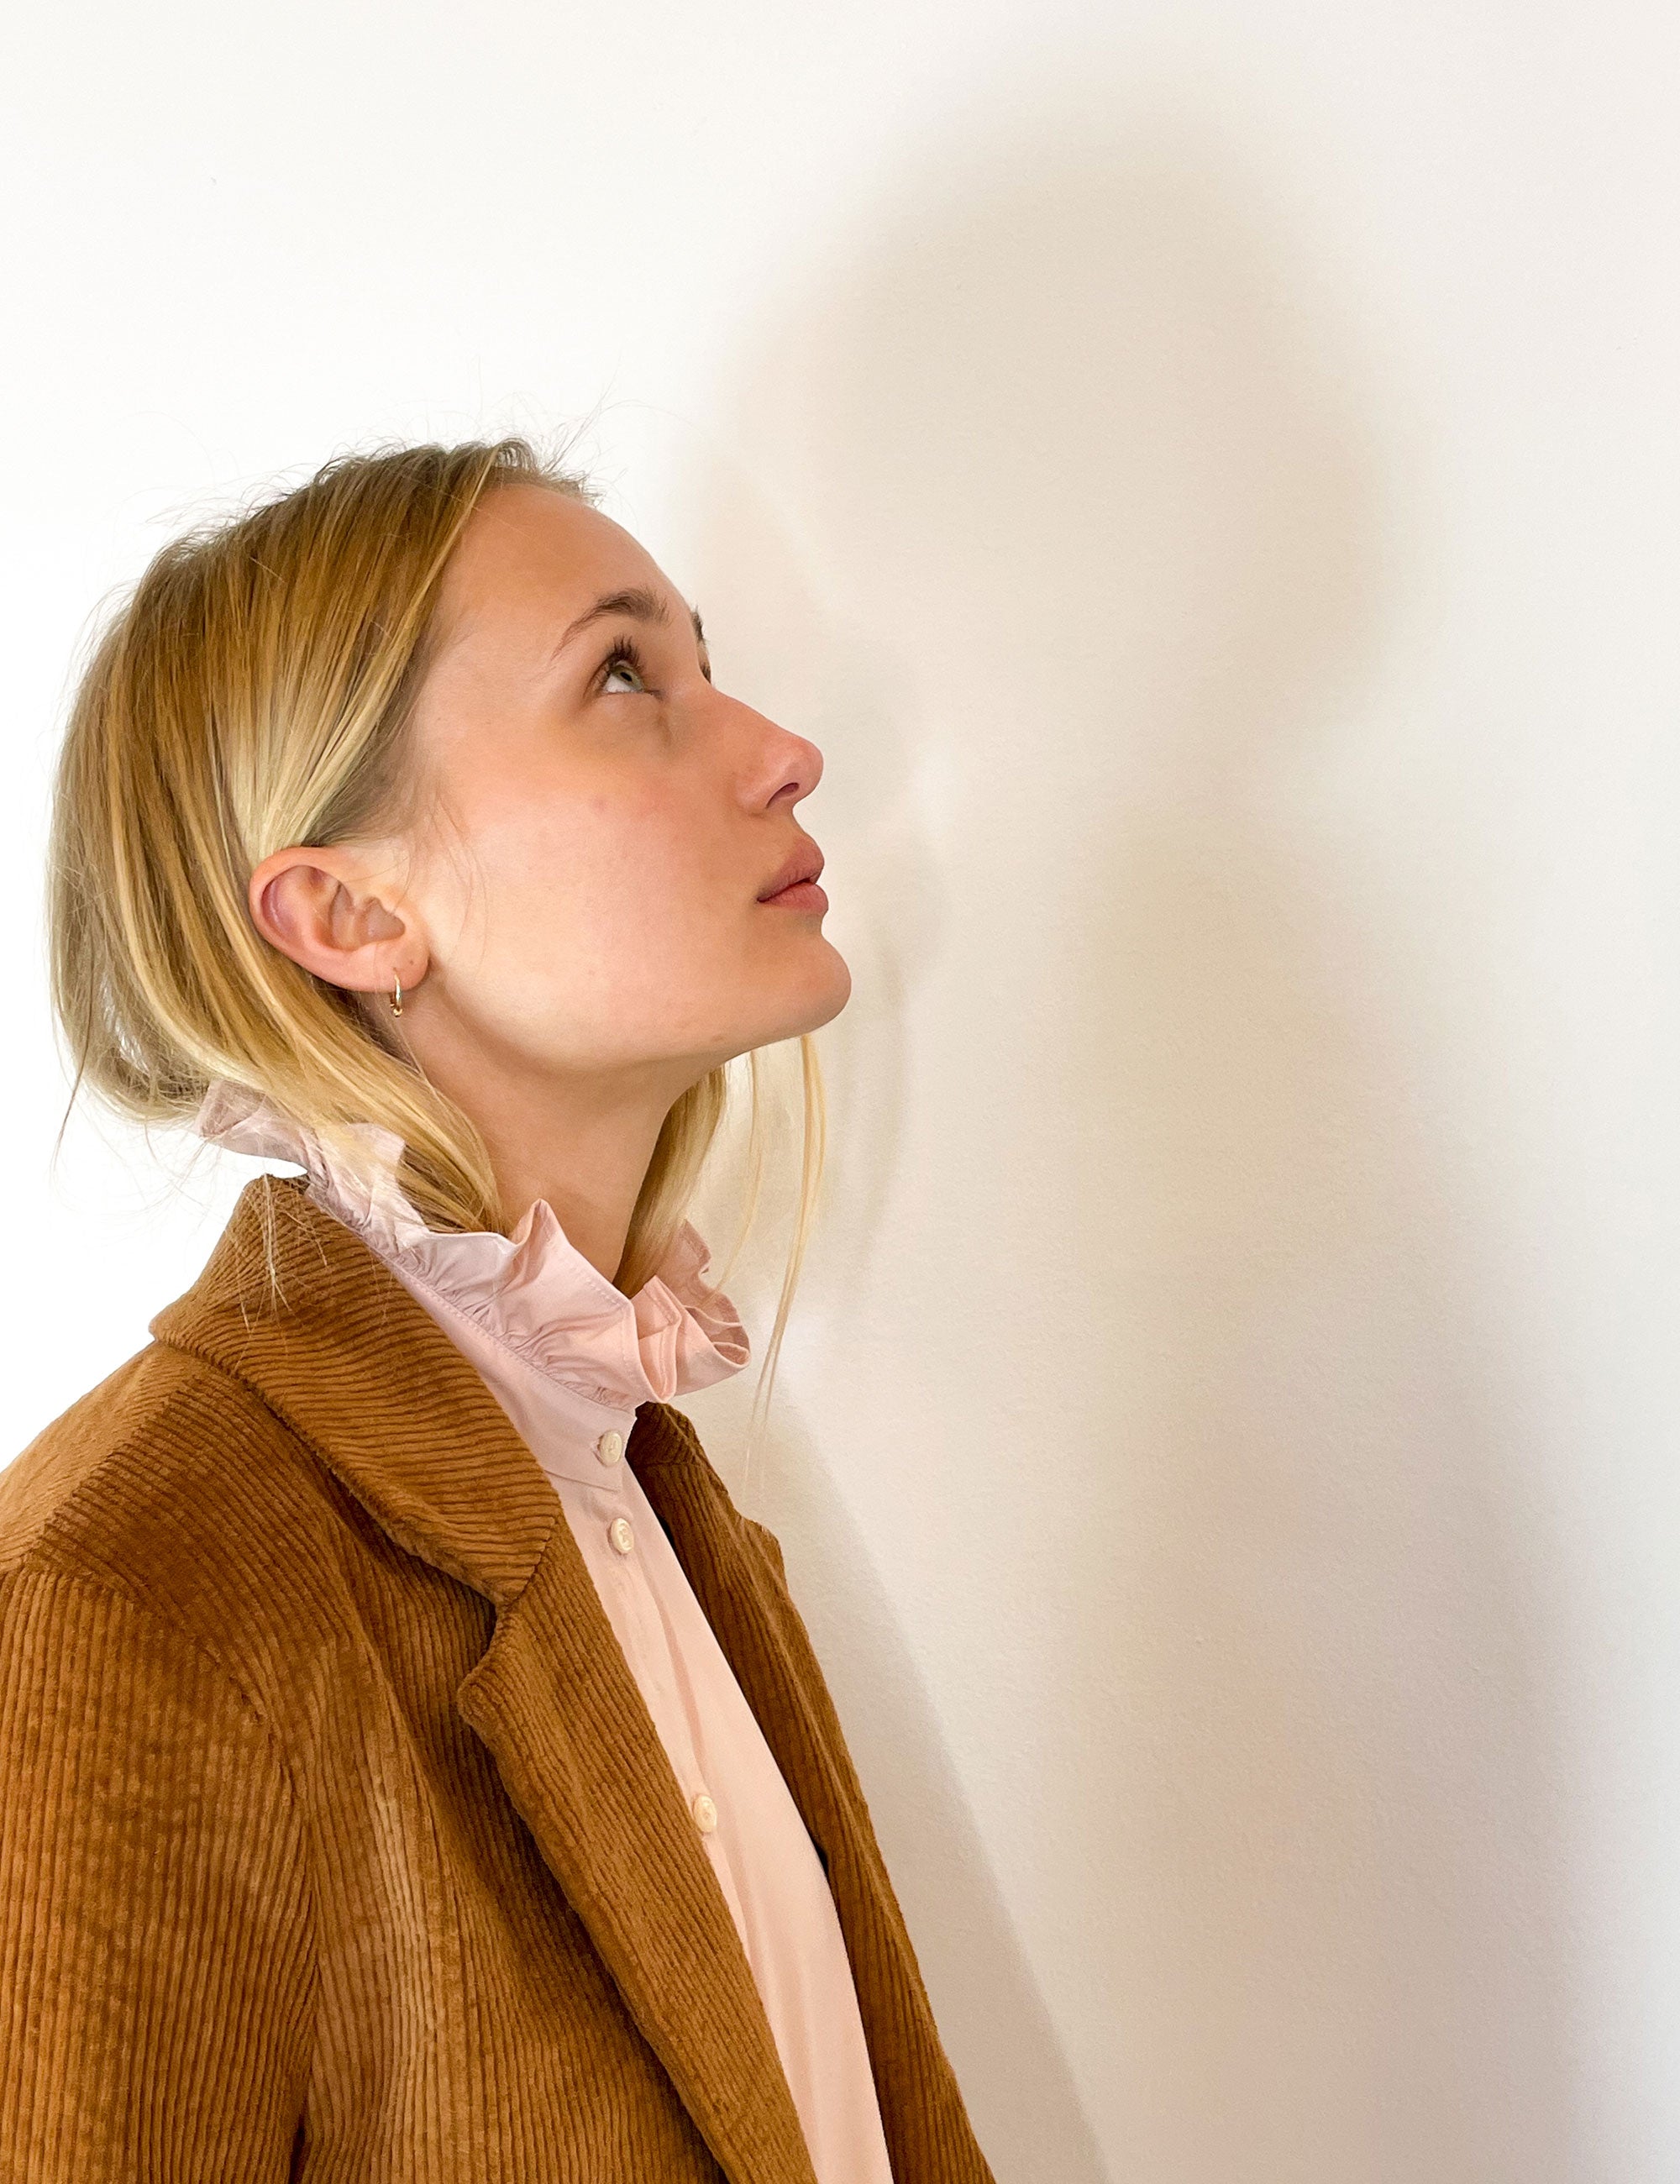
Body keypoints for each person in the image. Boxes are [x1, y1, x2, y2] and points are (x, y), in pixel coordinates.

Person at [0, 438, 995, 2181]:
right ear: (346, 910)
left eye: (696, 661)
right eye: (623, 676)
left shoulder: (670, 1513)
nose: (783, 750)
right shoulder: (119, 1594)